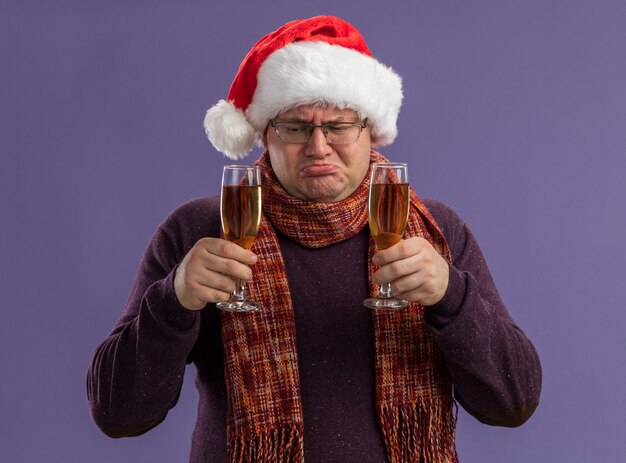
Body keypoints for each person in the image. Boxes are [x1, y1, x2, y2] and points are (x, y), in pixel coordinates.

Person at [87, 15, 541, 463]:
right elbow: (119, 414)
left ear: (370, 131)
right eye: (296, 127)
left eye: (339, 126)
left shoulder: (434, 232)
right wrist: (173, 300)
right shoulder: (202, 230)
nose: (319, 146)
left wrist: (450, 295)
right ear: (265, 133)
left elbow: (512, 403)